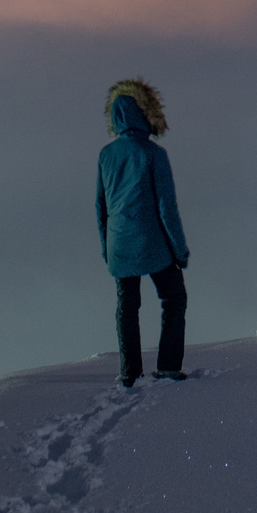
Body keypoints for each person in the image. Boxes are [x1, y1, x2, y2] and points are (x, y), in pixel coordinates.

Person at [96, 77, 190, 386]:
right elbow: (167, 209)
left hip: (119, 244)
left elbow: (101, 207)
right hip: (152, 244)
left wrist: (106, 249)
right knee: (174, 297)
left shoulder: (106, 155)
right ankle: (168, 367)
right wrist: (179, 250)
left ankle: (130, 373)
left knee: (127, 308)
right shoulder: (154, 155)